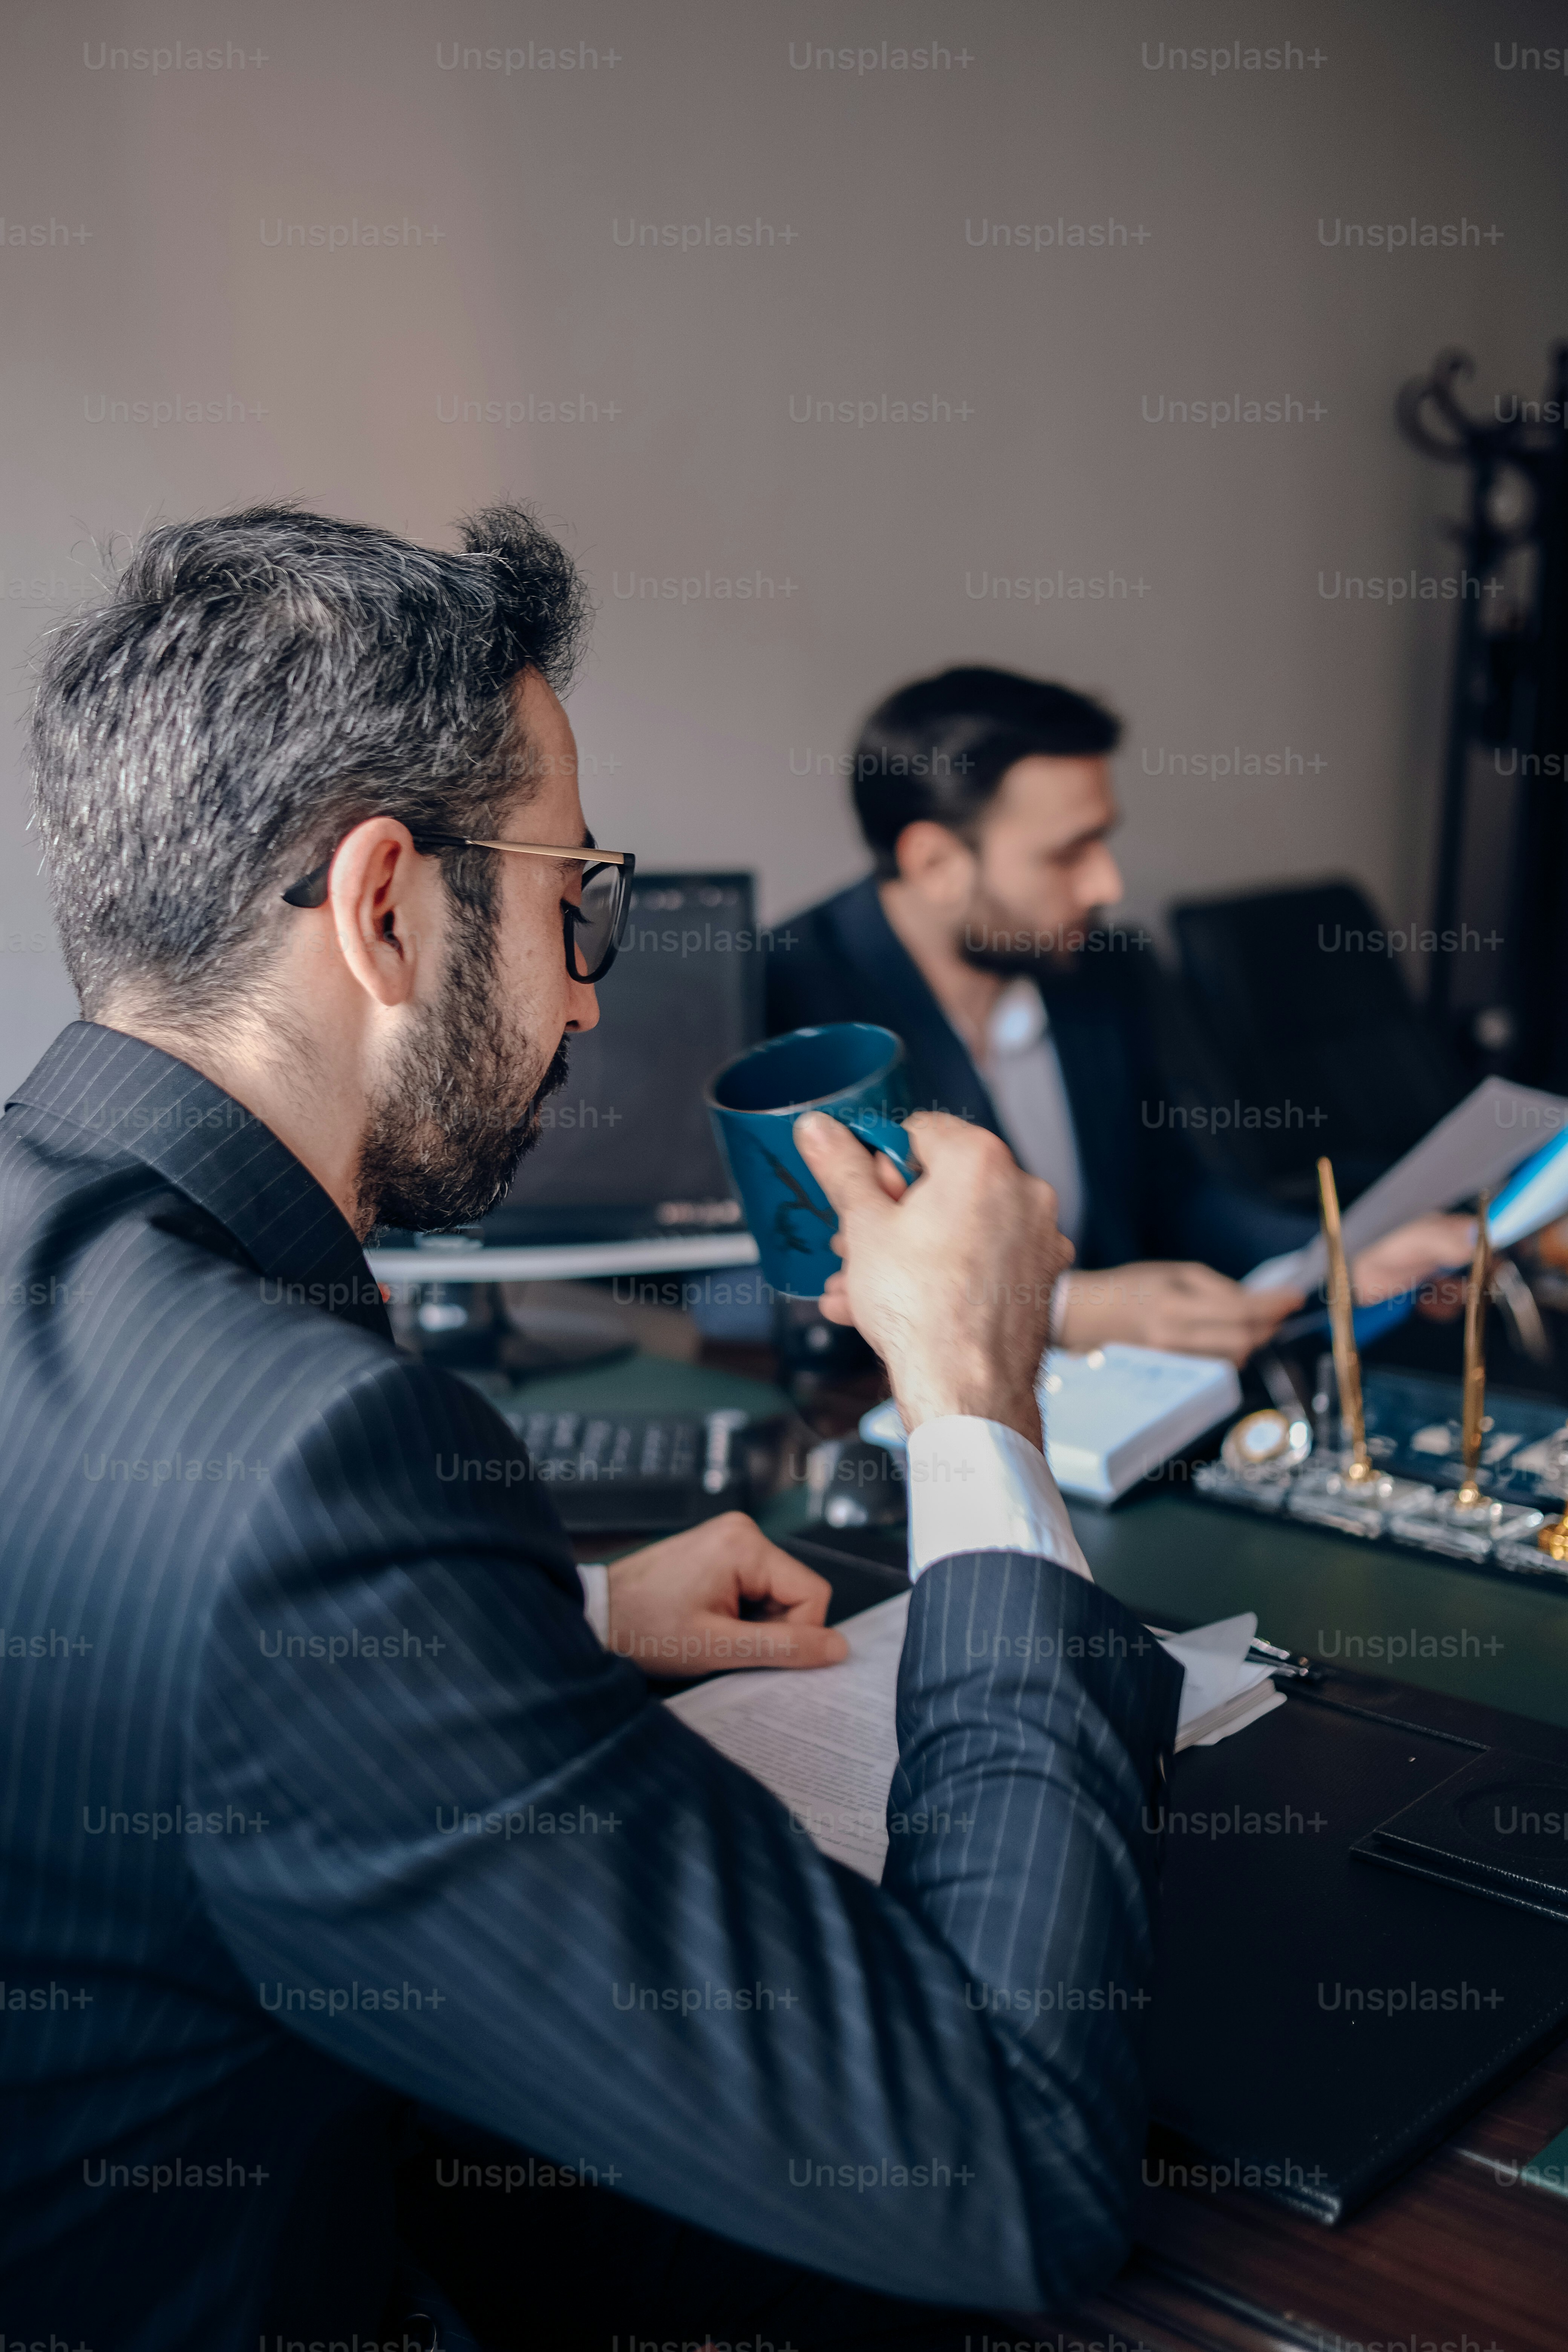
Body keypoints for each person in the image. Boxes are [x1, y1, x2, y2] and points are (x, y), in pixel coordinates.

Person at [1, 506, 1183, 2352]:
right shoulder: (304, 1474)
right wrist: (972, 1397)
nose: (583, 990)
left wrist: (555, 1628)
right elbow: (1002, 2170)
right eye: (578, 900)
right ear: (385, 907)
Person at [768, 666, 1472, 1363]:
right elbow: (751, 1288)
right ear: (935, 863)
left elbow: (1176, 1193)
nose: (1107, 883)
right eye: (1068, 853)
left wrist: (1336, 1256)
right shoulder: (784, 993)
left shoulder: (1102, 967)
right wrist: (1059, 1309)